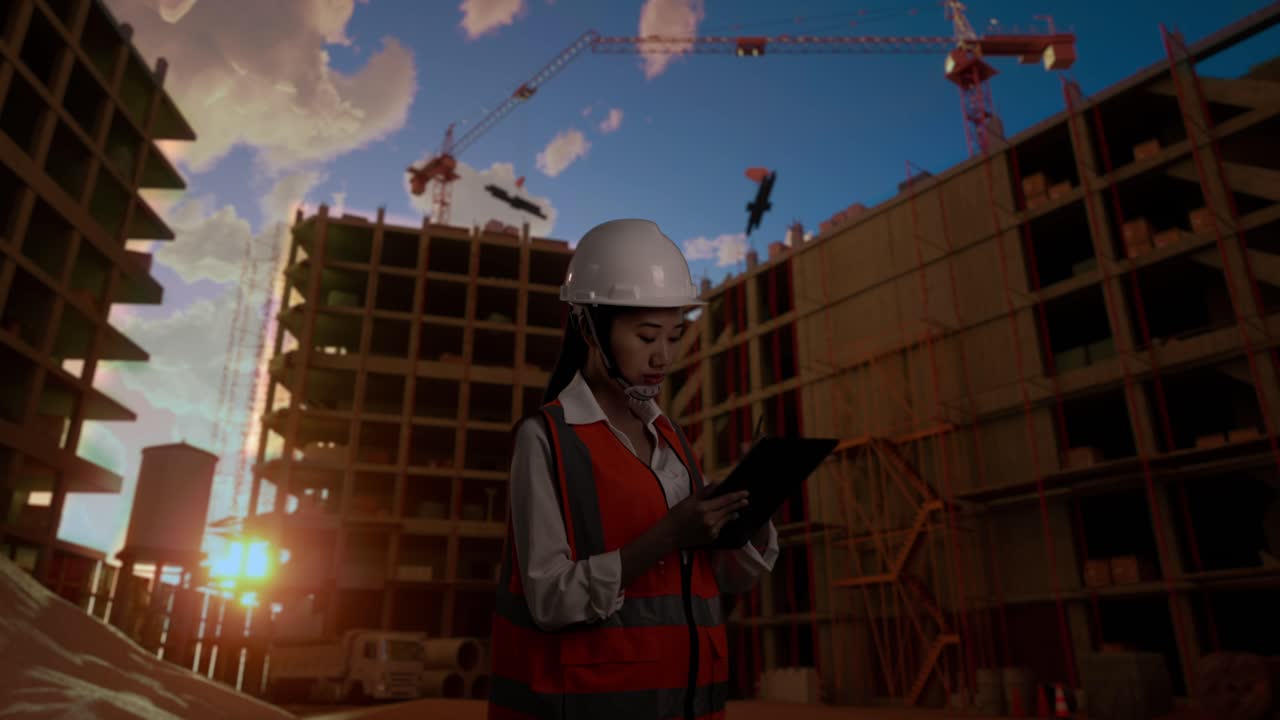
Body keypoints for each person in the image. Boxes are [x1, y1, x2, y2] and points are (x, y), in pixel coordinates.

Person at [487, 219, 779, 720]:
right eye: (646, 336)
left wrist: (750, 509)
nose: (663, 357)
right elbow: (549, 598)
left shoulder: (671, 439)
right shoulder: (546, 440)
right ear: (587, 328)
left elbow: (725, 580)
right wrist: (665, 536)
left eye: (674, 335)